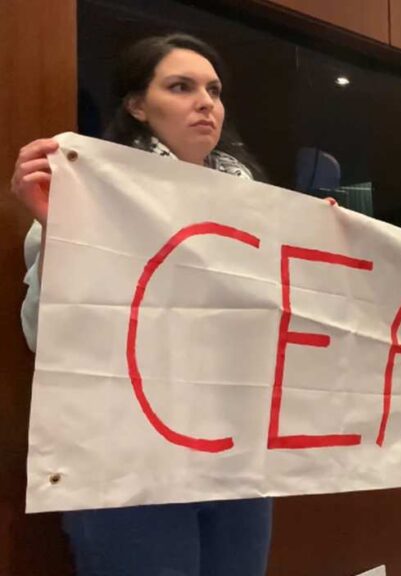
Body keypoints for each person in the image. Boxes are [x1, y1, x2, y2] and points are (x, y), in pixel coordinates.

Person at [9, 33, 275, 576]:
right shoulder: (84, 194)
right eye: (181, 87)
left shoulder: (262, 210)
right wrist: (60, 234)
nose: (206, 102)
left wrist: (320, 245)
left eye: (214, 89)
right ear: (136, 105)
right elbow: (45, 336)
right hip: (127, 464)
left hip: (236, 457)